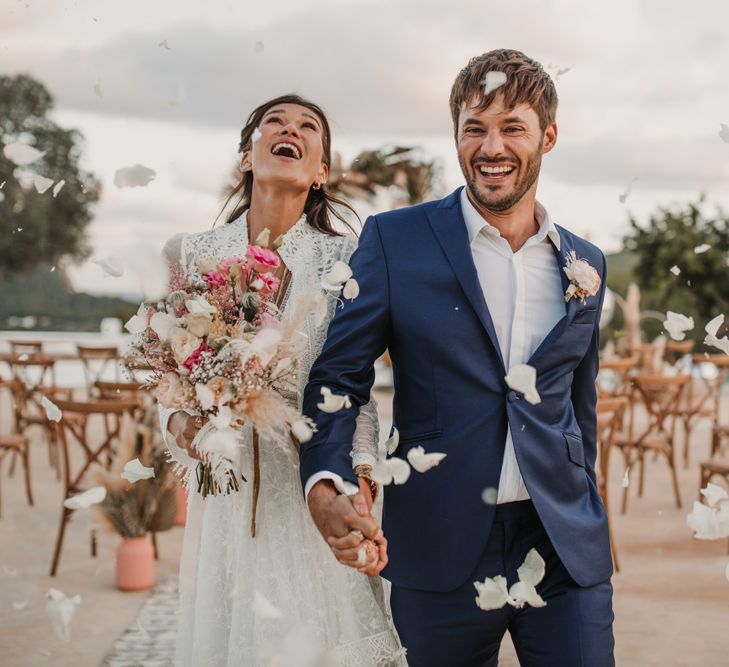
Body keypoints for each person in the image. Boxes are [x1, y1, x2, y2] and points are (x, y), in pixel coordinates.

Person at [302, 50, 615, 666]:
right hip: (438, 545)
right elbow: (339, 377)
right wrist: (326, 479)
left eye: (511, 128)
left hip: (562, 546)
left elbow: (581, 404)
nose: (490, 146)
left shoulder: (586, 263)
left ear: (548, 136)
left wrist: (589, 512)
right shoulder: (395, 241)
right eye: (475, 128)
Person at [159, 94, 404, 666]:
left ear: (320, 171)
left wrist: (358, 483)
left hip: (308, 497)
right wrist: (181, 421)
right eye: (275, 122)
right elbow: (163, 377)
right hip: (224, 500)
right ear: (248, 155)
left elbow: (353, 390)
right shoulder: (191, 254)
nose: (289, 129)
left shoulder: (347, 259)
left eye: (307, 127)